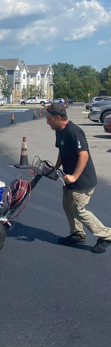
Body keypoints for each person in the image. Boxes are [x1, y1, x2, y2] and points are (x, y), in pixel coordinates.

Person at [44, 102, 111, 253]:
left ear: (58, 118)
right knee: (68, 205)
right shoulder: (59, 131)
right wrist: (55, 167)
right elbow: (62, 150)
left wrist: (74, 176)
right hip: (69, 178)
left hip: (83, 179)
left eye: (49, 119)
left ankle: (106, 235)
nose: (47, 121)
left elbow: (84, 154)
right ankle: (77, 234)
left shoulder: (74, 131)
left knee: (78, 209)